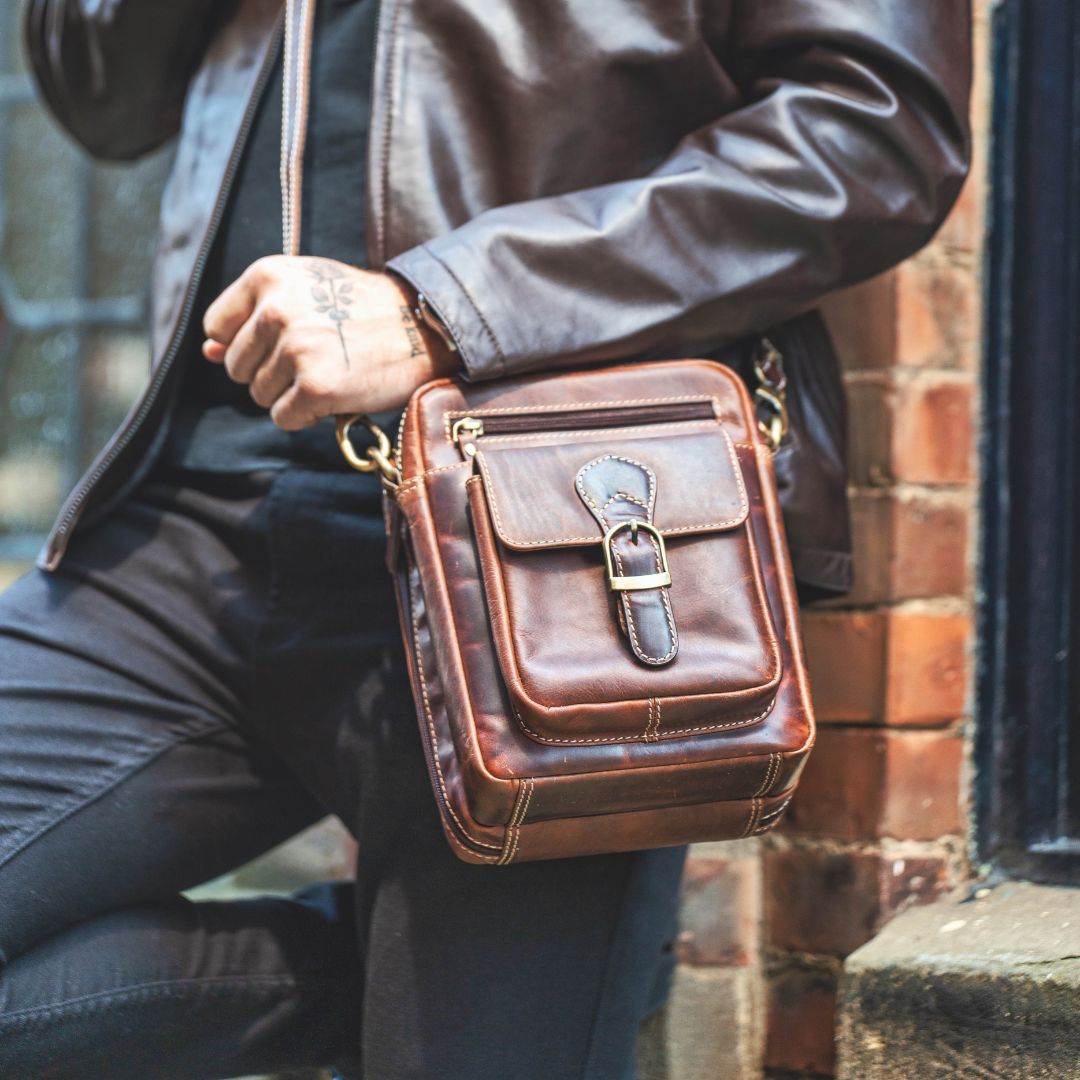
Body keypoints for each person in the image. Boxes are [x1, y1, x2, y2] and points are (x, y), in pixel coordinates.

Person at [1, 1, 971, 1077]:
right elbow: (100, 96)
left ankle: (506, 1005)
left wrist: (444, 309)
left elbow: (875, 132)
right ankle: (454, 991)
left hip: (543, 538)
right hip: (188, 527)